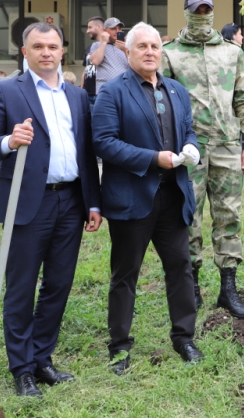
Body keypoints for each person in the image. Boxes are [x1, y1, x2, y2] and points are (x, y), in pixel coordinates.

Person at [0, 22, 102, 396]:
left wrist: (93, 200)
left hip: (71, 201)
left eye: (53, 46)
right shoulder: (6, 91)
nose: (46, 52)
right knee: (21, 287)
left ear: (63, 51)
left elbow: (86, 153)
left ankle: (43, 359)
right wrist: (9, 141)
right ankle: (22, 369)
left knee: (58, 285)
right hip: (27, 204)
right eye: (38, 46)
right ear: (24, 52)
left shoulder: (77, 96)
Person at [93, 22, 203, 373]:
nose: (150, 52)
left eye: (155, 46)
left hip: (173, 195)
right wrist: (152, 159)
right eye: (142, 46)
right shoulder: (113, 91)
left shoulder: (176, 90)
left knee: (181, 269)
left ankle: (184, 338)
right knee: (125, 274)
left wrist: (191, 147)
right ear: (127, 51)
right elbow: (105, 143)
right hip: (132, 197)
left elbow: (188, 130)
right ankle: (120, 347)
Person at [162, 0, 244, 320]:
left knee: (229, 215)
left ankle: (228, 288)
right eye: (196, 9)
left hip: (228, 146)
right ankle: (192, 288)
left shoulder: (232, 53)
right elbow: (161, 104)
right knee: (187, 217)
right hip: (188, 150)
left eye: (207, 9)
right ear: (186, 11)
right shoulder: (170, 54)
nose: (202, 14)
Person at [89, 17, 128, 94]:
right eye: (113, 29)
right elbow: (95, 61)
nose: (117, 31)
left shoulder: (126, 47)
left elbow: (135, 67)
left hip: (124, 90)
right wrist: (104, 42)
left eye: (119, 29)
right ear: (105, 31)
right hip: (105, 91)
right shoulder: (97, 45)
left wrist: (126, 50)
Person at [82, 16, 103, 111]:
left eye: (90, 27)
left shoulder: (109, 46)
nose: (87, 31)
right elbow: (86, 69)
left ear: (99, 27)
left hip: (101, 93)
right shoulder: (89, 47)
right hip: (88, 94)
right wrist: (82, 90)